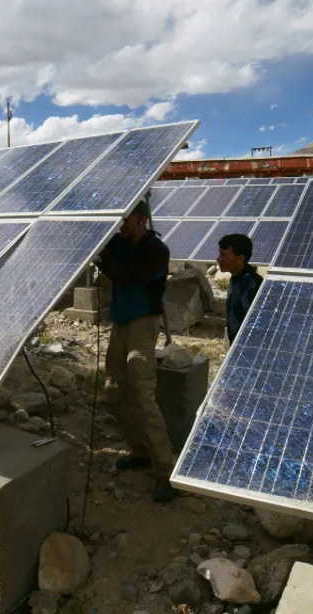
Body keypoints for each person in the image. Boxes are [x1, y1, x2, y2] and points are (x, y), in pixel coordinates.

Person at [96, 200, 176, 503]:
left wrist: (103, 255)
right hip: (120, 324)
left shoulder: (157, 251)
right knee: (116, 390)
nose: (121, 225)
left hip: (143, 326)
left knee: (142, 395)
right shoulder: (121, 242)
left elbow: (127, 276)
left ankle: (164, 473)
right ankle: (140, 450)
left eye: (125, 219)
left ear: (141, 220)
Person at [218, 233, 262, 344]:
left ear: (240, 258)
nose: (218, 259)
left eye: (223, 255)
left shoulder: (252, 285)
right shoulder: (236, 278)